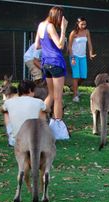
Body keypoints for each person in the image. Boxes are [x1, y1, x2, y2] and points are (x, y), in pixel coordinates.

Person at [35, 5, 70, 140]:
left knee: (51, 94)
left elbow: (37, 45)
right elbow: (60, 45)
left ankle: (37, 120)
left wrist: (49, 44)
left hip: (46, 63)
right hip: (56, 62)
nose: (61, 20)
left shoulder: (41, 25)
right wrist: (63, 29)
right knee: (58, 97)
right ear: (57, 16)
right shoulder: (50, 26)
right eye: (61, 18)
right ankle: (57, 130)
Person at [2, 80, 46, 147]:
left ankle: (12, 137)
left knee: (6, 113)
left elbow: (2, 110)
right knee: (42, 111)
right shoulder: (39, 102)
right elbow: (47, 109)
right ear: (30, 90)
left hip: (16, 143)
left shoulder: (8, 102)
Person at [68, 17, 96, 102]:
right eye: (82, 24)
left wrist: (90, 53)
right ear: (77, 23)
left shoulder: (87, 31)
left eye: (85, 24)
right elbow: (69, 46)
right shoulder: (73, 33)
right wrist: (72, 58)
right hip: (74, 56)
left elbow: (90, 43)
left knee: (83, 76)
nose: (83, 26)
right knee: (76, 76)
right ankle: (75, 95)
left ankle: (74, 87)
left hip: (83, 56)